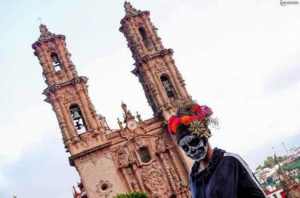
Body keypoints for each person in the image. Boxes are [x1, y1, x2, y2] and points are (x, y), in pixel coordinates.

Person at [167, 102, 266, 198]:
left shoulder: (230, 161)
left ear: (205, 136)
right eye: (185, 148)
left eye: (194, 142)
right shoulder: (193, 176)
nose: (191, 150)